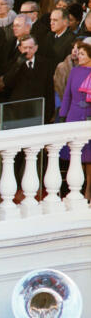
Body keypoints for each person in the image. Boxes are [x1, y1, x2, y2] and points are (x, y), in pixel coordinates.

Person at [58, 37, 91, 201]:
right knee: (74, 155)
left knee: (89, 158)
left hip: (89, 117)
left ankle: (88, 191)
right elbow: (67, 95)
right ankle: (75, 190)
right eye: (79, 54)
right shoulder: (74, 71)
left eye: (83, 54)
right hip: (74, 116)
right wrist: (63, 115)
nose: (79, 57)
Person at [3, 34, 55, 126]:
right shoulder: (13, 63)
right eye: (25, 47)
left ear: (36, 48)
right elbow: (7, 83)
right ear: (20, 48)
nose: (27, 50)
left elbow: (49, 90)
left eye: (30, 47)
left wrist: (50, 112)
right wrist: (18, 65)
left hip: (38, 110)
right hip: (19, 112)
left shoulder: (46, 64)